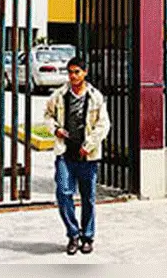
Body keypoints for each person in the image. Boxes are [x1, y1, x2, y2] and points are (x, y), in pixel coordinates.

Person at [44, 56, 111, 255]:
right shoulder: (59, 95)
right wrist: (55, 129)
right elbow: (48, 115)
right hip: (65, 152)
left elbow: (103, 124)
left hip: (87, 156)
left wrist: (89, 145)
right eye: (70, 72)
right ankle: (73, 234)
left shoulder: (95, 97)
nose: (73, 76)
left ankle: (87, 237)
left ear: (85, 73)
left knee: (88, 197)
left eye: (77, 72)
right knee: (64, 193)